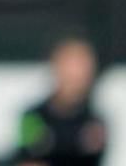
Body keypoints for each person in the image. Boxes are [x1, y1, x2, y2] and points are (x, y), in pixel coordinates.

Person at [15, 37, 107, 166]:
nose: (75, 73)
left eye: (82, 65)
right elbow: (27, 158)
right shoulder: (32, 117)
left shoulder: (95, 122)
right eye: (70, 64)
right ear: (56, 65)